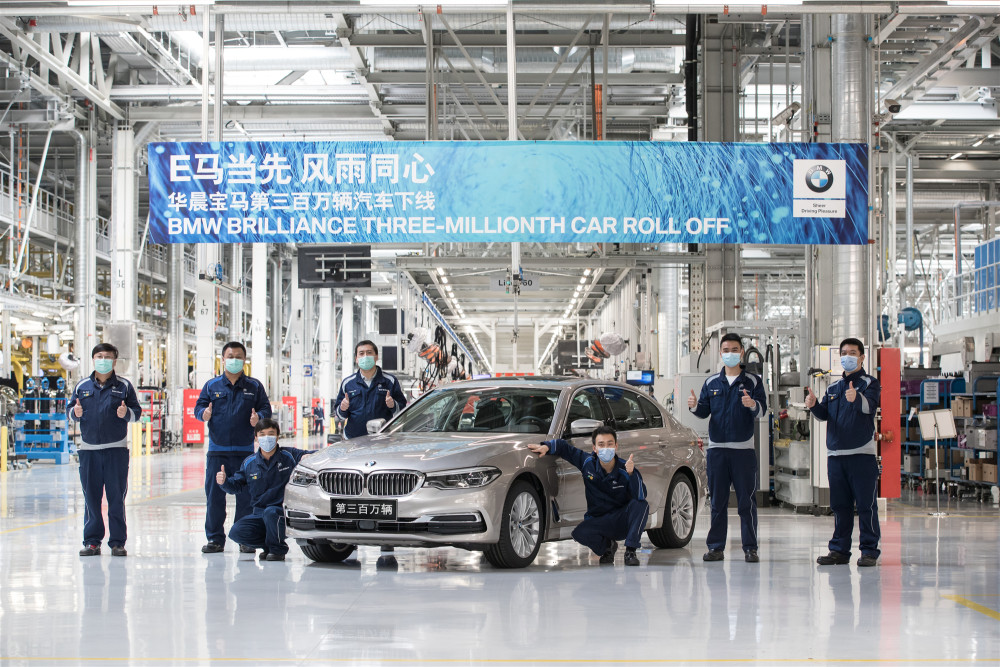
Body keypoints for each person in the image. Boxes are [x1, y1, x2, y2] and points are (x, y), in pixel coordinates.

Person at [687, 332, 767, 563]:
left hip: (743, 452)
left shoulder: (753, 381)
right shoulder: (712, 382)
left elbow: (763, 411)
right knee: (718, 502)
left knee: (746, 502)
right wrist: (694, 406)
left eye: (734, 350)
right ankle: (716, 547)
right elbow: (704, 411)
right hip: (717, 452)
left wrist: (752, 404)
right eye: (725, 350)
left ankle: (750, 548)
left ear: (741, 352)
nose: (730, 354)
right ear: (720, 354)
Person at [805, 337, 882, 567]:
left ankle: (869, 550)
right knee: (840, 506)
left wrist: (857, 398)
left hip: (861, 455)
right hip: (836, 456)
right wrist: (813, 405)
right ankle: (839, 550)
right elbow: (824, 415)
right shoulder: (833, 388)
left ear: (862, 357)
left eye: (852, 353)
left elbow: (870, 407)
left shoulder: (869, 383)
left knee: (866, 506)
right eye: (844, 353)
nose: (847, 357)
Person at [528, 425, 648, 567]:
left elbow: (640, 496)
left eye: (609, 444)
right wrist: (547, 446)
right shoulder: (587, 463)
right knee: (579, 533)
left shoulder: (625, 468)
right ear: (594, 448)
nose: (606, 448)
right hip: (599, 520)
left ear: (616, 446)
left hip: (621, 520)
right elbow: (564, 448)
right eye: (601, 445)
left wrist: (632, 474)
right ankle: (608, 547)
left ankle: (630, 551)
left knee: (641, 505)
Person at [195, 341, 272, 554]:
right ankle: (215, 539)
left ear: (244, 360)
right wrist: (204, 414)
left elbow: (266, 409)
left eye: (238, 357)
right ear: (223, 359)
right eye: (230, 356)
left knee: (246, 498)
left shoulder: (254, 386)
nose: (234, 360)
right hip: (217, 452)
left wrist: (259, 417)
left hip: (245, 453)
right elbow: (199, 407)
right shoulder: (211, 386)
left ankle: (244, 538)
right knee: (215, 497)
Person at [67, 343, 143, 557]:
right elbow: (70, 411)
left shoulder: (124, 386)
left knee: (116, 499)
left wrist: (126, 413)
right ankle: (92, 542)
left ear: (114, 361)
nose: (103, 360)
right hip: (89, 451)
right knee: (91, 499)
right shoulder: (82, 386)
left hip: (115, 451)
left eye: (107, 357)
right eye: (99, 356)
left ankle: (117, 542)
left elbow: (137, 413)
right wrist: (75, 413)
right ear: (93, 359)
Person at [216, 418, 310, 561]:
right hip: (259, 514)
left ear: (277, 437)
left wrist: (308, 456)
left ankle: (278, 549)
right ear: (256, 438)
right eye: (262, 434)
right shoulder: (249, 463)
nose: (267, 438)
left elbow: (313, 454)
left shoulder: (289, 455)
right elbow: (236, 485)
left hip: (282, 513)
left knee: (271, 513)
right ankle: (269, 545)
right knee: (236, 532)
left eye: (271, 434)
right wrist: (224, 482)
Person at [335, 340, 407, 440]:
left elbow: (403, 411)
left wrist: (393, 405)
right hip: (353, 440)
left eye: (369, 353)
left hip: (382, 440)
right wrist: (342, 408)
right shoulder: (348, 383)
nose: (365, 356)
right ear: (356, 359)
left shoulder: (390, 381)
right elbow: (339, 416)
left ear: (376, 357)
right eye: (361, 353)